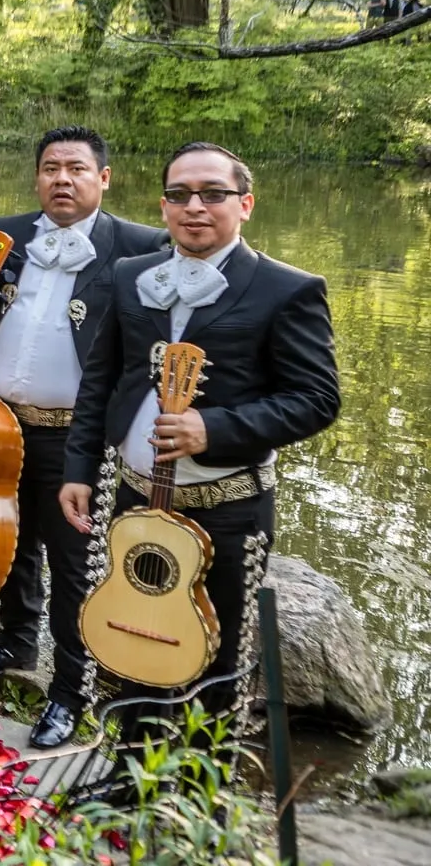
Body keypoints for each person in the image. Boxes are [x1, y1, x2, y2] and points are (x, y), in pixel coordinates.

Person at [60, 143, 340, 730]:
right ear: (163, 207)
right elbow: (102, 379)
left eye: (213, 193)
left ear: (246, 205)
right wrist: (80, 468)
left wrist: (212, 428)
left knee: (213, 658)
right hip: (132, 497)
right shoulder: (131, 274)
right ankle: (125, 773)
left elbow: (317, 400)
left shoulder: (287, 290)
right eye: (179, 194)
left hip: (229, 510)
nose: (194, 206)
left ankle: (195, 802)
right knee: (128, 639)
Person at [0, 127, 167, 750]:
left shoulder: (141, 247)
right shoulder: (3, 234)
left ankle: (70, 690)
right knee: (5, 540)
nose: (62, 178)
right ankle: (14, 641)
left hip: (79, 439)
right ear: (37, 177)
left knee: (74, 564)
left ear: (104, 178)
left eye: (76, 169)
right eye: (50, 168)